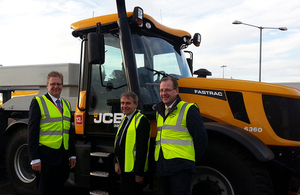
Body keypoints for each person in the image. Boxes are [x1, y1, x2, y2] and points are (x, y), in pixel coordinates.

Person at [154, 77, 208, 195]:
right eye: (161, 90)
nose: (164, 94)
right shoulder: (160, 112)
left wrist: (189, 159)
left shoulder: (188, 109)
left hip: (181, 168)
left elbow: (201, 139)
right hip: (164, 166)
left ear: (176, 91)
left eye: (167, 90)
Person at [27, 71, 76, 195]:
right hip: (45, 156)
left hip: (62, 156)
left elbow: (69, 132)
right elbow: (32, 131)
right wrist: (34, 158)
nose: (56, 86)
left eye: (59, 84)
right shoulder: (39, 101)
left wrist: (72, 155)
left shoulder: (66, 104)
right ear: (47, 85)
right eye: (52, 84)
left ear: (62, 86)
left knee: (59, 189)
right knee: (44, 190)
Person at [114, 91, 151, 195]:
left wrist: (139, 173)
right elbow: (119, 144)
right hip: (124, 169)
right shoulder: (124, 120)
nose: (124, 106)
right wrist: (116, 162)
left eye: (128, 103)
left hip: (134, 172)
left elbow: (142, 149)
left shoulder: (141, 121)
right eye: (122, 103)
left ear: (136, 104)